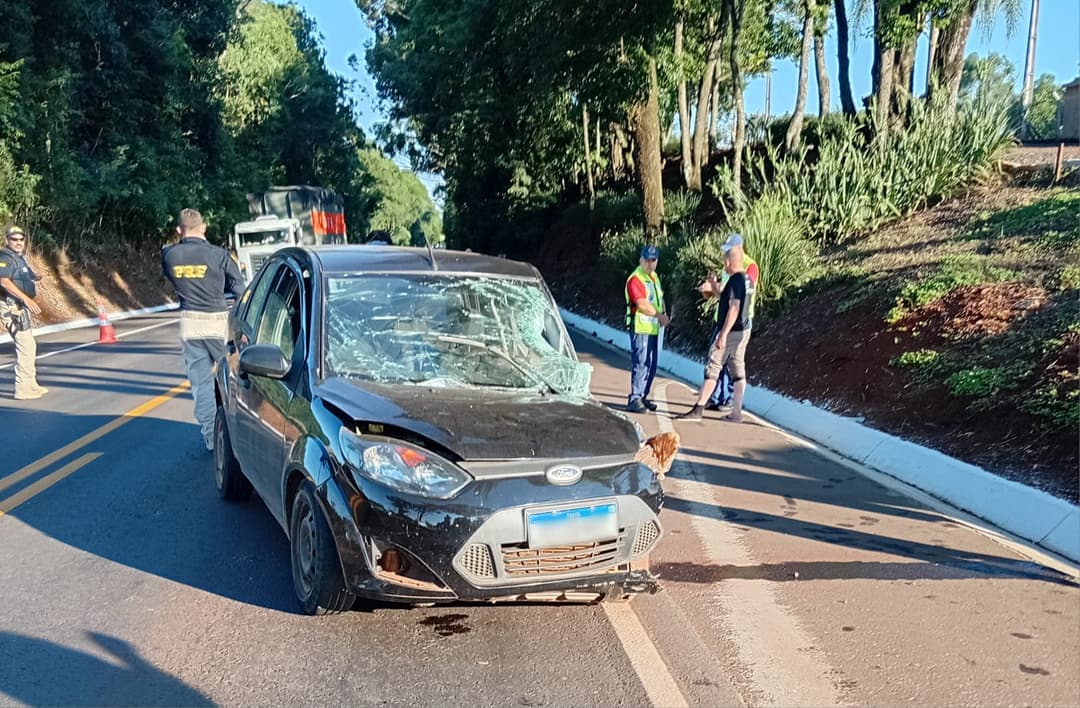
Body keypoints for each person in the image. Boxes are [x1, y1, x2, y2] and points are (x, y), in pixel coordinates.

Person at [162, 209, 245, 451]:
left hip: (189, 322)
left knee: (201, 384)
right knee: (233, 375)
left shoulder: (169, 255)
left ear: (179, 230)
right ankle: (241, 430)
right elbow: (239, 289)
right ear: (204, 227)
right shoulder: (219, 255)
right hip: (218, 321)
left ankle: (211, 437)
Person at [676, 246, 753, 422]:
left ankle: (698, 408)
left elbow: (734, 308)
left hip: (731, 331)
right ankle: (737, 412)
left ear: (729, 261)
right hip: (743, 330)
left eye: (725, 261)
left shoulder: (736, 280)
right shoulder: (747, 279)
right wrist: (714, 286)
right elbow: (726, 299)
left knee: (714, 365)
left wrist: (723, 334)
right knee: (738, 370)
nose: (724, 265)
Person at [699, 233, 758, 410]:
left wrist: (724, 333)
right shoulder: (729, 265)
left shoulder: (748, 267)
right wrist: (712, 287)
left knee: (723, 361)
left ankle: (719, 399)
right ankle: (718, 397)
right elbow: (725, 295)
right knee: (725, 362)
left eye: (729, 250)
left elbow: (737, 300)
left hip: (738, 322)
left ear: (738, 248)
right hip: (724, 319)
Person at [0, 225, 47, 400]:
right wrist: (27, 299)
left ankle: (30, 384)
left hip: (19, 306)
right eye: (14, 239)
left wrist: (34, 276)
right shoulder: (4, 257)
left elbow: (20, 276)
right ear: (7, 240)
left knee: (30, 345)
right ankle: (22, 388)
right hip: (11, 307)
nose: (19, 242)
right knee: (25, 345)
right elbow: (4, 281)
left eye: (21, 239)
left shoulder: (19, 258)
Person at [625, 244, 670, 413]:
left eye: (653, 260)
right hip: (641, 328)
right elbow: (642, 304)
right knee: (641, 363)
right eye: (647, 260)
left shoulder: (654, 277)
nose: (650, 264)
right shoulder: (636, 279)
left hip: (653, 328)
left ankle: (643, 396)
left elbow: (658, 298)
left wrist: (663, 314)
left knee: (650, 364)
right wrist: (659, 316)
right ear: (641, 260)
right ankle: (635, 398)